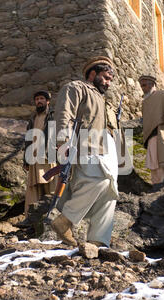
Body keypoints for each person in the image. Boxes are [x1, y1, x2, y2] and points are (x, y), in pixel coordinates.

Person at [51, 56, 119, 248]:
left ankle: (98, 240)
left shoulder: (105, 100)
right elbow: (64, 114)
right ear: (92, 74)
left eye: (110, 80)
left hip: (107, 151)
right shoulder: (77, 88)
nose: (107, 83)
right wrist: (63, 142)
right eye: (105, 77)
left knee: (110, 192)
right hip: (85, 147)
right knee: (100, 181)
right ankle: (65, 221)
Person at [20, 90, 57, 226]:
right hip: (34, 157)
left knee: (51, 186)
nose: (39, 101)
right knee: (33, 189)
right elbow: (28, 140)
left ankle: (53, 217)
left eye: (42, 99)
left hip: (49, 156)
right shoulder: (33, 118)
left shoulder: (53, 116)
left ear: (47, 101)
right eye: (37, 99)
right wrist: (25, 159)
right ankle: (30, 219)